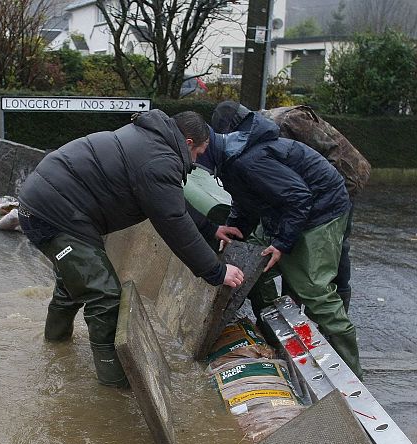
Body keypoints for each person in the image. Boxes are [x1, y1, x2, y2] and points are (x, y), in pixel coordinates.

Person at [18, 109, 245, 388]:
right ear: (187, 143)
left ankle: (55, 349)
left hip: (51, 204)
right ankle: (114, 387)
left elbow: (167, 202)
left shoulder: (151, 141)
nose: (197, 159)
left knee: (73, 284)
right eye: (199, 152)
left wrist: (210, 229)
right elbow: (172, 221)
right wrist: (216, 271)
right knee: (105, 297)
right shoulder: (159, 159)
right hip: (53, 214)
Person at [202, 106, 363, 378]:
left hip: (323, 209)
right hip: (290, 210)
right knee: (254, 268)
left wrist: (282, 243)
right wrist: (236, 228)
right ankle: (275, 335)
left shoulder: (249, 158)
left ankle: (350, 371)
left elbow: (299, 197)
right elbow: (246, 199)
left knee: (314, 289)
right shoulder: (230, 159)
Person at [211, 101, 371, 311]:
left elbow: (332, 155)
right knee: (291, 244)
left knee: (332, 251)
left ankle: (333, 317)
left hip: (342, 180)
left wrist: (315, 210)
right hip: (300, 191)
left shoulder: (289, 122)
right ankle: (293, 309)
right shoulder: (246, 140)